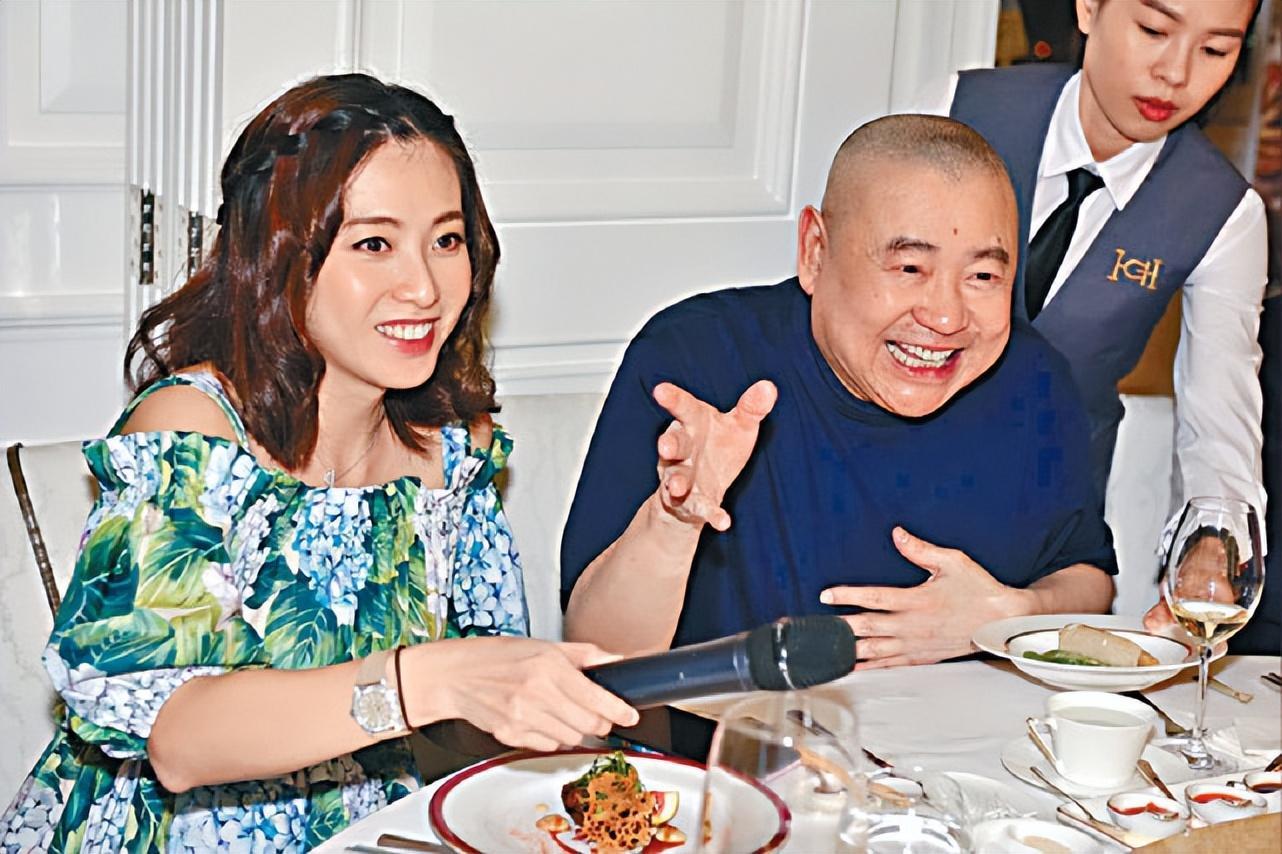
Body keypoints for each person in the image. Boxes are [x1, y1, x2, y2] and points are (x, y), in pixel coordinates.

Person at [0, 74, 636, 852]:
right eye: (374, 244)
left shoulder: (453, 452)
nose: (424, 286)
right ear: (278, 257)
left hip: (371, 830)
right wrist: (425, 680)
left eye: (446, 240)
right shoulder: (195, 432)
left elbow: (487, 708)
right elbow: (177, 738)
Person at [560, 115, 1117, 666]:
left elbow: (1087, 577)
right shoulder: (699, 363)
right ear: (815, 251)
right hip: (734, 725)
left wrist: (1006, 617)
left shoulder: (1034, 381)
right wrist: (673, 522)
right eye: (910, 268)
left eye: (983, 277)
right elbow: (600, 652)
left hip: (973, 727)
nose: (947, 317)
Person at [942, 0, 1266, 530]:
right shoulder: (959, 108)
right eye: (1154, 29)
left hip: (1049, 521)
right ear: (1090, 7)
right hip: (883, 482)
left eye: (1214, 50)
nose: (1176, 73)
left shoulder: (1223, 211)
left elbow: (1220, 421)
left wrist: (1216, 537)